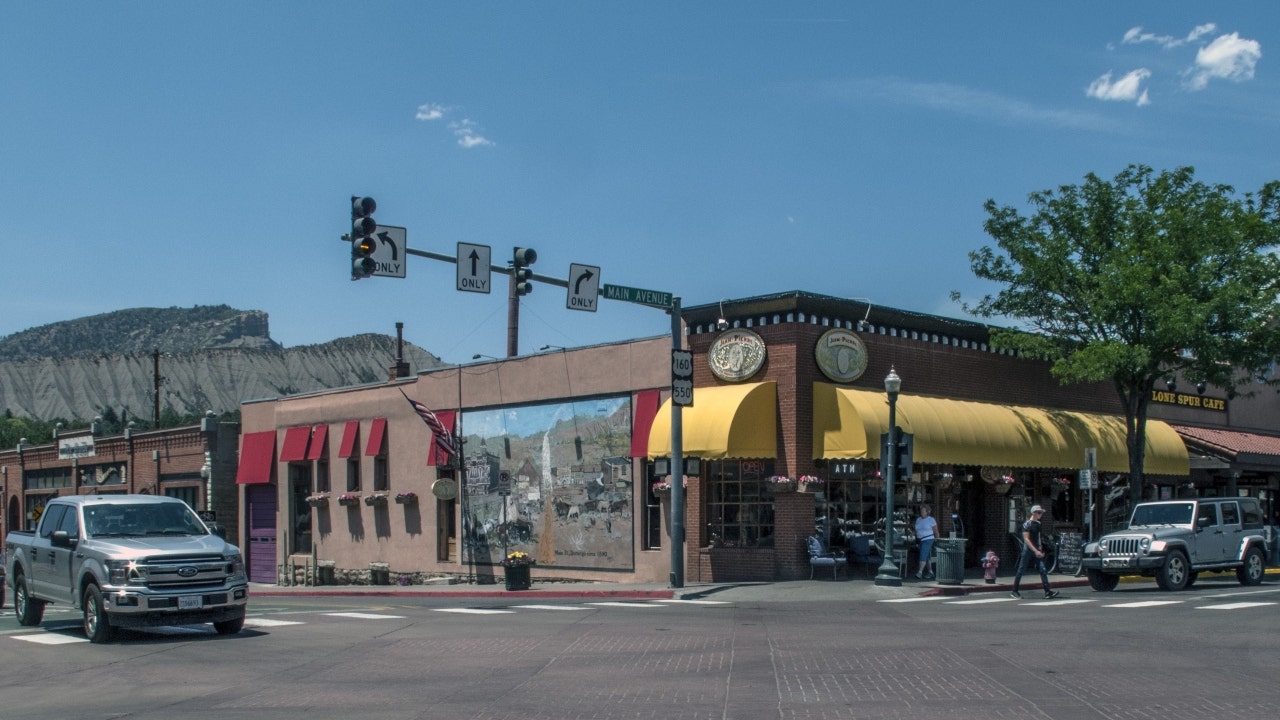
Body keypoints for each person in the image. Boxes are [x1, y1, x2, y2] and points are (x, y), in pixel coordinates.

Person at [1011, 505, 1059, 599]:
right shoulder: (1027, 524)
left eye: (1041, 513)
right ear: (1034, 513)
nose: (1040, 514)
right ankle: (1014, 591)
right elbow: (1027, 540)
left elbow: (1038, 536)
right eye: (1039, 512)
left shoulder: (1038, 524)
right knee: (1021, 569)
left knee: (1043, 569)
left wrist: (1040, 547)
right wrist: (1035, 550)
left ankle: (1047, 591)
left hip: (1036, 549)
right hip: (1028, 549)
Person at [914, 505, 938, 579]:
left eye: (923, 511)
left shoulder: (931, 520)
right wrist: (912, 533)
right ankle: (930, 572)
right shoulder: (918, 520)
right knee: (927, 557)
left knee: (923, 555)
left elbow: (936, 531)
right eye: (921, 511)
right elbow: (916, 529)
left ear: (927, 512)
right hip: (920, 540)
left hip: (928, 539)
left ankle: (920, 572)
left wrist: (937, 539)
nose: (922, 512)